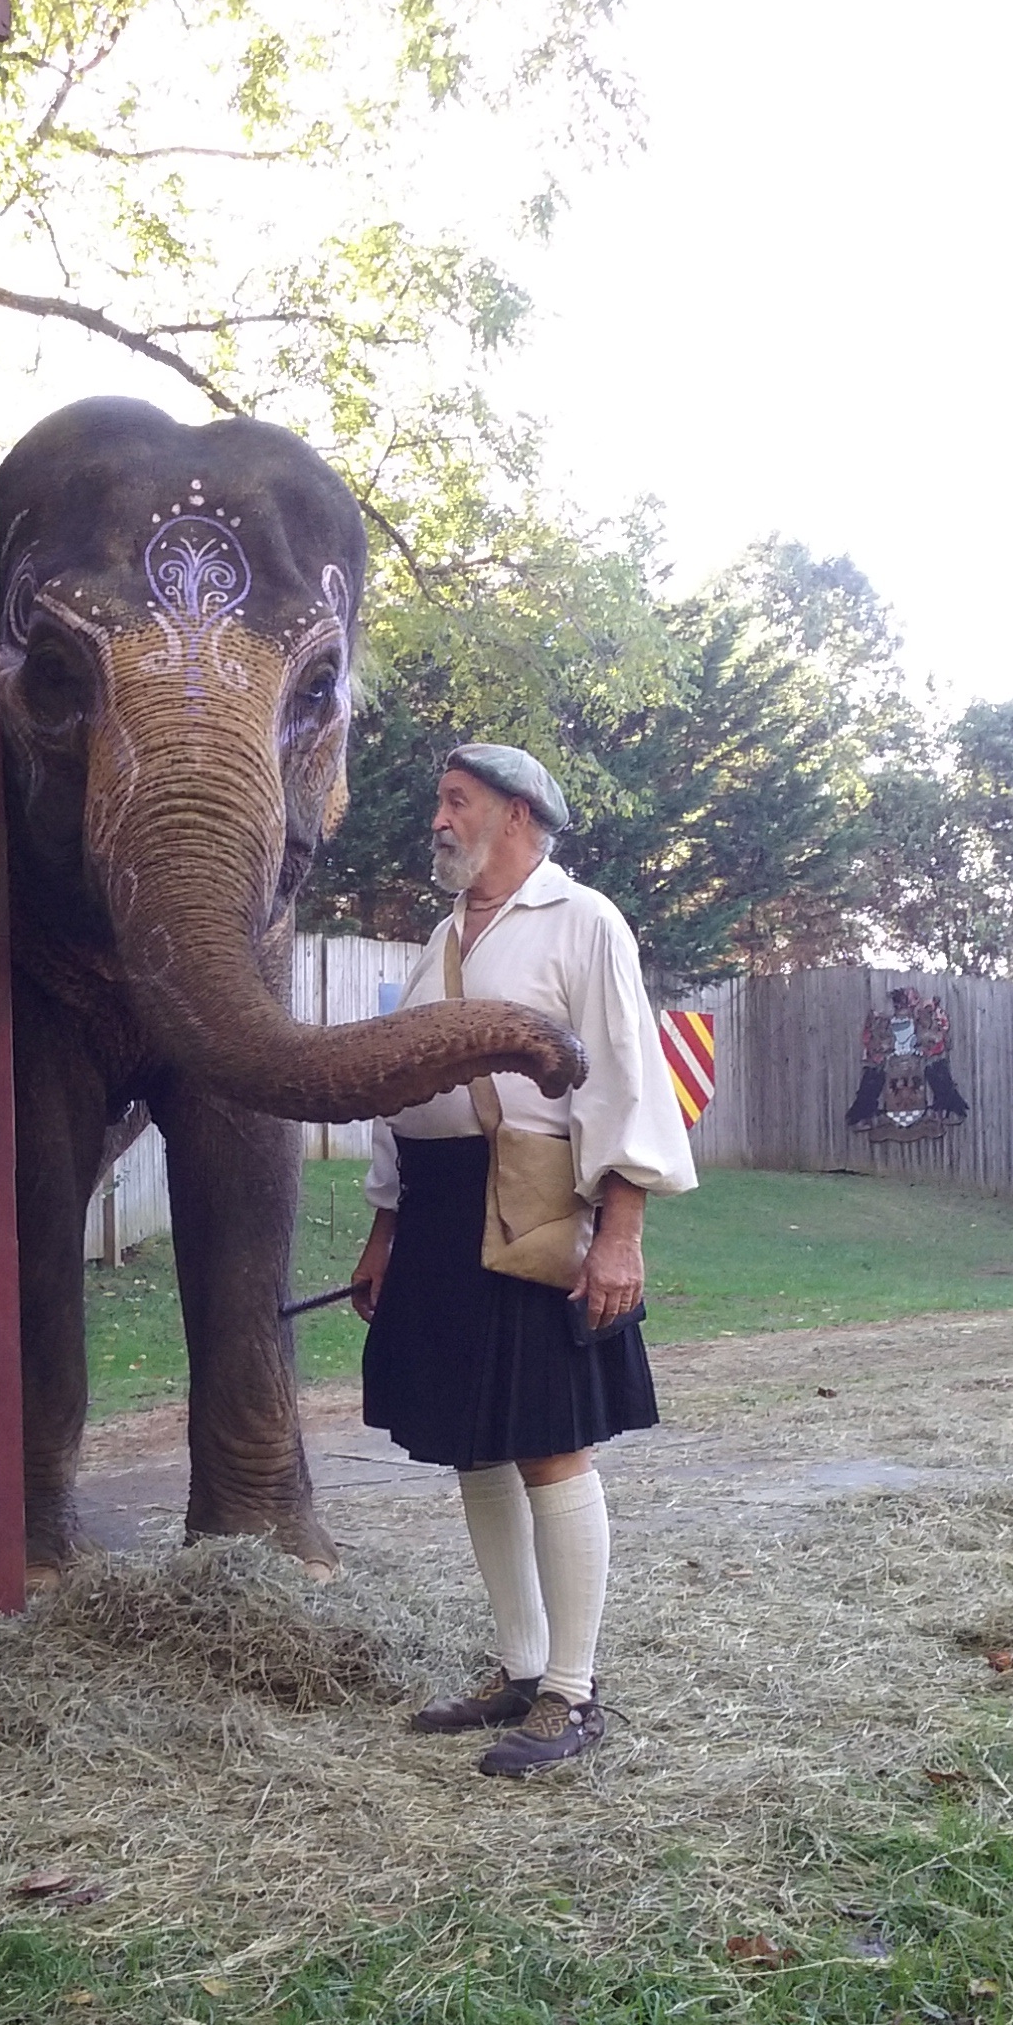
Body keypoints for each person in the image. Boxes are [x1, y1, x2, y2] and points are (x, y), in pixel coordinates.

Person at [352, 743, 697, 1776]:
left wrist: (621, 1233)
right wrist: (384, 1228)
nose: (440, 819)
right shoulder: (440, 936)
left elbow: (627, 1082)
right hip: (442, 1206)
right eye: (440, 802)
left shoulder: (582, 919)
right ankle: (519, 1663)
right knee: (474, 1441)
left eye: (457, 802)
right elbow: (400, 1086)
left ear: (516, 815)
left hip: (535, 1207)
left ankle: (574, 1691)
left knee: (549, 1440)